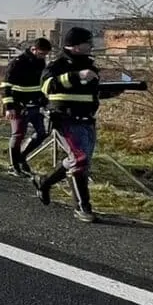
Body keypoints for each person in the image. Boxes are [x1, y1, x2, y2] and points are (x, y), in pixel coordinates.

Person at [36, 27, 102, 223]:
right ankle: (83, 207)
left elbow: (92, 92)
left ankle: (45, 182)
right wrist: (76, 76)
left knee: (79, 161)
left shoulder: (91, 66)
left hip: (87, 121)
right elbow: (47, 86)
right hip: (64, 120)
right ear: (75, 45)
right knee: (79, 160)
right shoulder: (57, 64)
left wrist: (114, 90)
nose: (91, 45)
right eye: (87, 42)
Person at [0, 36, 52, 180]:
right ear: (33, 49)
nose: (44, 57)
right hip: (18, 106)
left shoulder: (41, 62)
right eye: (42, 53)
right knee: (18, 135)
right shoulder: (17, 63)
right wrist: (9, 107)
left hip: (35, 105)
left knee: (43, 132)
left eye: (45, 54)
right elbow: (5, 87)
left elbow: (40, 84)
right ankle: (13, 166)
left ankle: (21, 157)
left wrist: (44, 100)